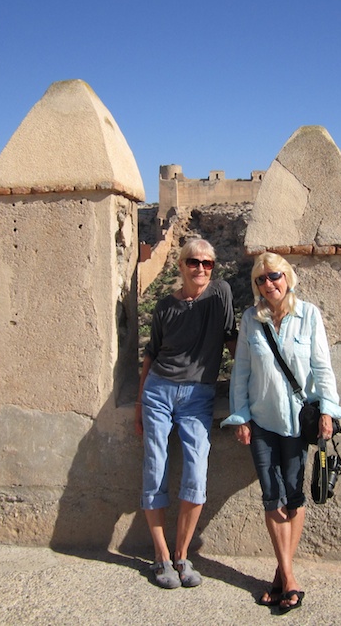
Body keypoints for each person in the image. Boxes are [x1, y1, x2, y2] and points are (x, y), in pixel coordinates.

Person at [221, 252, 341, 612]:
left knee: (293, 493)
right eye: (260, 279)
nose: (268, 284)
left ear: (287, 278)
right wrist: (240, 416)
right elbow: (241, 370)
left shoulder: (308, 315)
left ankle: (281, 575)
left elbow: (322, 366)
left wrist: (327, 410)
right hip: (261, 421)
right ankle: (290, 579)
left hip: (297, 422)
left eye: (274, 276)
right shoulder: (250, 319)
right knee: (270, 494)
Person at [135, 238, 237, 589]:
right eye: (194, 262)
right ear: (180, 265)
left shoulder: (221, 293)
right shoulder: (164, 305)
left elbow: (230, 339)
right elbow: (151, 353)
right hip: (158, 391)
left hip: (198, 396)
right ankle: (161, 557)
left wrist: (251, 385)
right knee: (155, 464)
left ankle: (182, 555)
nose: (201, 269)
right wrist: (139, 403)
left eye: (208, 263)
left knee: (196, 471)